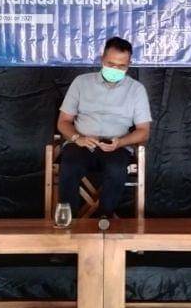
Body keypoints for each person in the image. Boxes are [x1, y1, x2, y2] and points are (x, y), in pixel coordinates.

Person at [56, 37, 151, 216]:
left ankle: (104, 219)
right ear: (102, 60)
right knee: (70, 165)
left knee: (116, 169)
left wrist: (120, 142)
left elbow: (143, 132)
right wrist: (78, 138)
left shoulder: (136, 90)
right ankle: (67, 219)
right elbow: (63, 121)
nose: (115, 69)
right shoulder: (81, 82)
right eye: (111, 64)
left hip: (116, 145)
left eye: (121, 66)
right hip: (81, 142)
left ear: (129, 65)